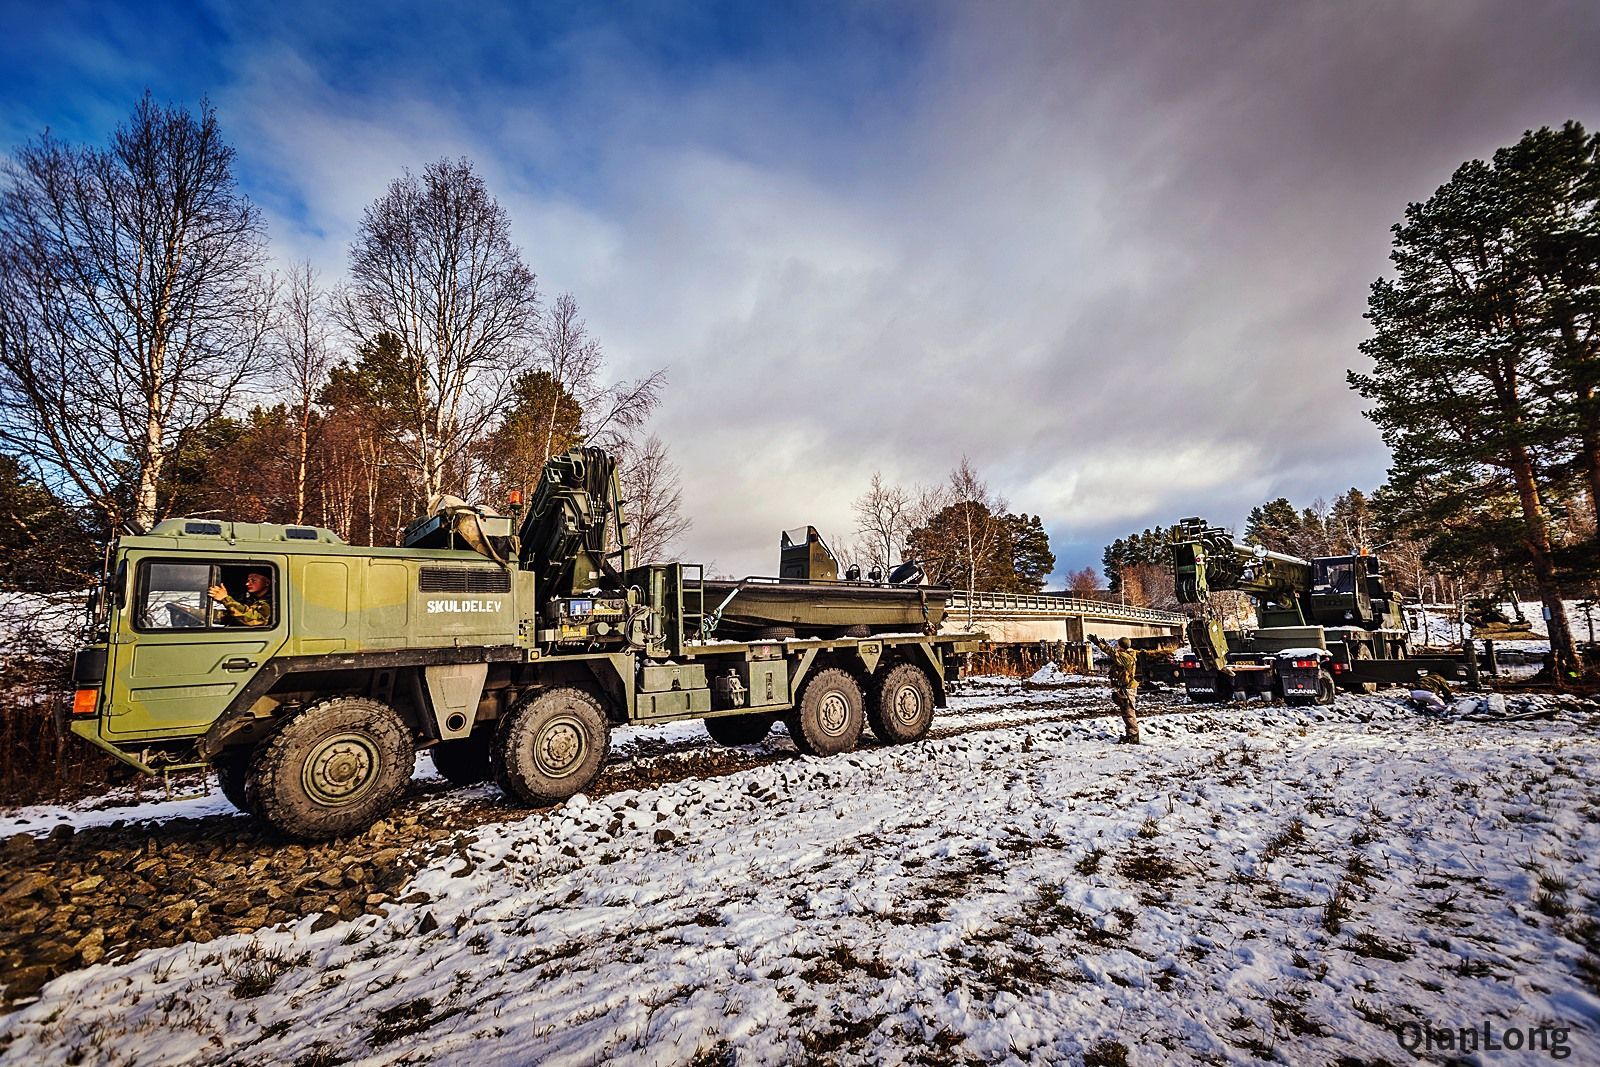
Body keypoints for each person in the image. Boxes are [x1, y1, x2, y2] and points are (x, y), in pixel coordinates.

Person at [1089, 634, 1141, 744]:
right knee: (1126, 712)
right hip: (1125, 687)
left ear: (1122, 646)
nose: (1116, 646)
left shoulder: (1126, 657)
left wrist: (1099, 644)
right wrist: (1105, 645)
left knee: (1129, 712)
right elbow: (1116, 654)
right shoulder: (1126, 655)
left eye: (1118, 645)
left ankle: (1134, 736)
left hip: (1128, 688)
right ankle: (1130, 734)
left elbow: (1113, 654)